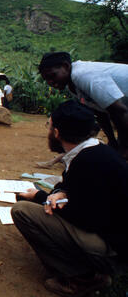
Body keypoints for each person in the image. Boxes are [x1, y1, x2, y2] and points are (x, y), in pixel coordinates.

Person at [12, 100, 128, 297]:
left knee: (22, 211)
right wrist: (60, 192)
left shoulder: (87, 162)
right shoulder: (93, 151)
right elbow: (70, 184)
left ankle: (82, 279)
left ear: (56, 132)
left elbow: (87, 219)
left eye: (49, 125)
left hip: (113, 248)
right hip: (113, 234)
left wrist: (41, 197)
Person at [38, 52, 128, 159]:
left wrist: (124, 148)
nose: (50, 82)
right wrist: (112, 142)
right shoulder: (72, 83)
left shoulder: (82, 75)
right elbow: (100, 113)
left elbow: (120, 111)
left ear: (66, 66)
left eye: (52, 76)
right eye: (46, 79)